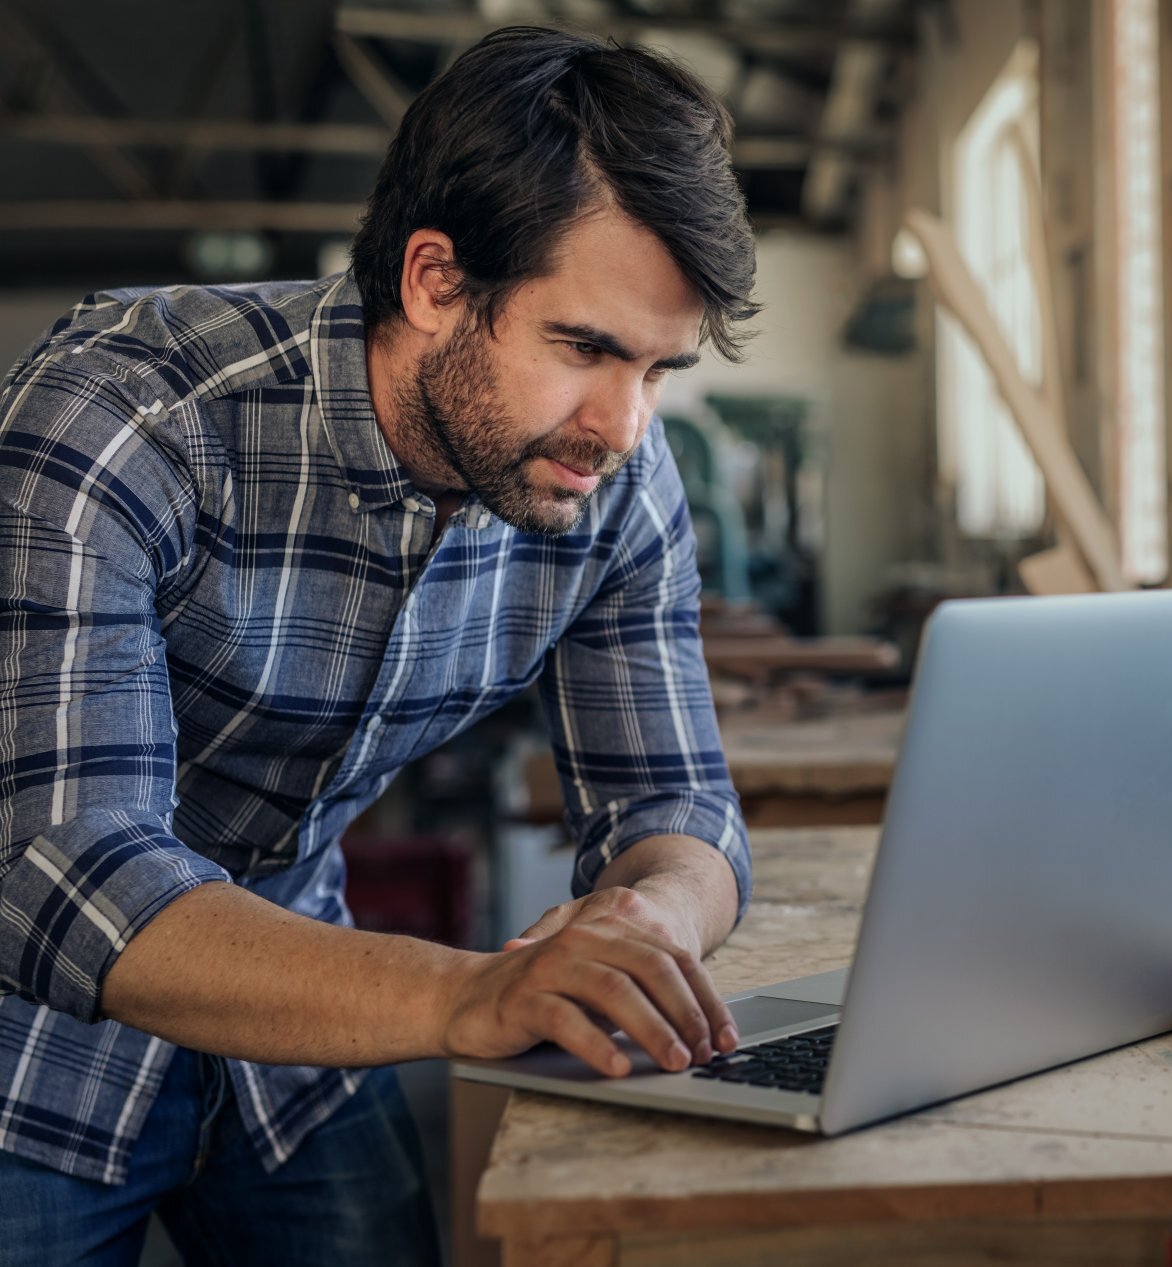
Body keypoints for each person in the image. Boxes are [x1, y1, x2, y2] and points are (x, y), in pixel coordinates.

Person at [0, 25, 758, 1265]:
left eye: (659, 369)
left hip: (301, 1040)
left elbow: (677, 799)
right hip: (31, 1053)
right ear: (432, 282)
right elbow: (69, 871)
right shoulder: (124, 414)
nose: (623, 425)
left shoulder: (612, 473)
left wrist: (654, 920)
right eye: (585, 348)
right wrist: (468, 995)